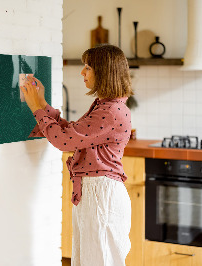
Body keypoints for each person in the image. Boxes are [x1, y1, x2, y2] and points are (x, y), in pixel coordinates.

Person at [21, 44, 133, 266]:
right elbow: (72, 133)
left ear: (104, 72)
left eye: (88, 67)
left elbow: (64, 141)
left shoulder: (110, 111)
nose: (82, 72)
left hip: (101, 195)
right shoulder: (106, 106)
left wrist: (36, 108)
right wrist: (42, 103)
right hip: (96, 193)